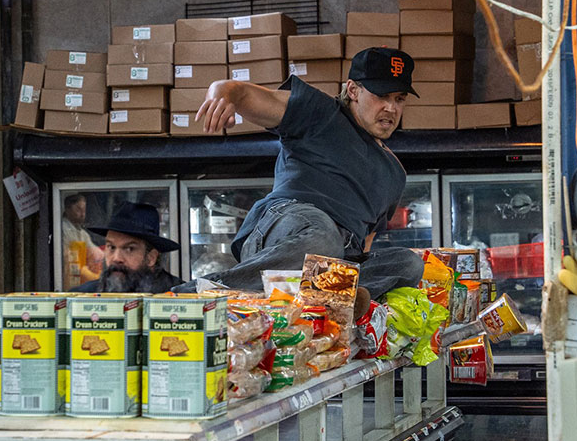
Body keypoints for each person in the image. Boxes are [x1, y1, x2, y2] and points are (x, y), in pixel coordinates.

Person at [176, 47, 425, 309]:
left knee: (408, 263)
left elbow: (366, 243)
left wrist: (350, 269)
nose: (391, 108)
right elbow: (242, 92)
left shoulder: (394, 173)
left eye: (399, 99)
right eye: (381, 96)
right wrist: (222, 94)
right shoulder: (320, 113)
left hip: (337, 254)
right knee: (323, 238)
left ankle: (337, 296)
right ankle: (199, 294)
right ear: (353, 90)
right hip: (288, 226)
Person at [71, 201, 184, 293]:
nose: (116, 258)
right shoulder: (85, 296)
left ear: (151, 258)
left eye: (129, 249)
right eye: (111, 247)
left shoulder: (180, 297)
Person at [59, 194, 103, 289]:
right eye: (78, 209)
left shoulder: (82, 233)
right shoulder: (61, 229)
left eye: (84, 210)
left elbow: (95, 252)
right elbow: (64, 258)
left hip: (78, 278)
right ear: (67, 209)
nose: (82, 214)